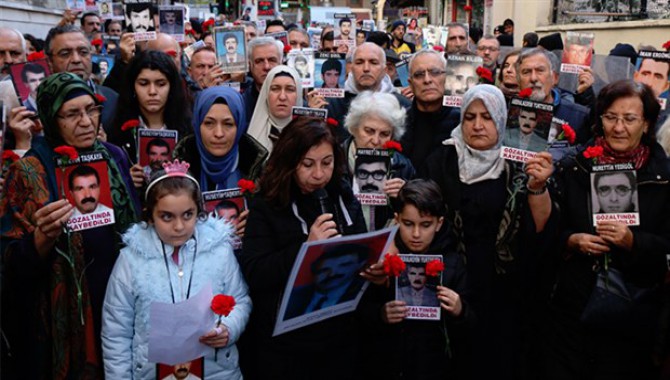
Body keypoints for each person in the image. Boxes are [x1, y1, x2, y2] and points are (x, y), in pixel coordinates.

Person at [0, 72, 139, 379]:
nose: (87, 122)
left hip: (117, 294)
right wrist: (43, 236)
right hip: (62, 309)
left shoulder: (114, 156)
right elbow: (9, 262)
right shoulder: (28, 171)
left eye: (91, 110)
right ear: (50, 118)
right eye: (72, 114)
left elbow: (136, 225)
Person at [421, 84, 554, 379]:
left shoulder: (521, 163)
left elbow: (541, 228)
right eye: (469, 117)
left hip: (505, 289)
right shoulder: (442, 161)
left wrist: (537, 186)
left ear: (502, 120)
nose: (478, 125)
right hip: (454, 285)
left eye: (487, 117)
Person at [239, 117, 385, 380]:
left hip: (339, 337)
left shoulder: (341, 193)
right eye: (307, 164)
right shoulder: (268, 203)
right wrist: (306, 249)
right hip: (286, 345)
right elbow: (255, 271)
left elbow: (359, 245)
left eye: (326, 163)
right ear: (289, 162)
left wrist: (372, 270)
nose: (319, 174)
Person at [543, 80, 670, 379]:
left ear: (647, 124)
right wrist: (571, 241)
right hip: (572, 311)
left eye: (629, 119)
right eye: (611, 117)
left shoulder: (663, 178)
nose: (619, 128)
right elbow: (548, 231)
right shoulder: (575, 166)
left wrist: (633, 242)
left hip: (631, 314)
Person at [101, 160, 251, 379]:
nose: (179, 226)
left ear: (199, 212)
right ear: (150, 215)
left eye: (187, 215)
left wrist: (228, 329)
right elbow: (116, 332)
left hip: (216, 371)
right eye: (167, 217)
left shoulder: (219, 251)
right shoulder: (131, 260)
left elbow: (241, 301)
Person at [359, 178, 471, 380]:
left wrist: (459, 309)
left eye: (425, 225)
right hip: (388, 363)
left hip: (434, 366)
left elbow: (471, 329)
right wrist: (381, 314)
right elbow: (359, 314)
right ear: (397, 220)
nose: (416, 234)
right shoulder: (383, 258)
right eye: (408, 224)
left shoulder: (453, 263)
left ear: (439, 224)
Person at [109, 50, 190, 188]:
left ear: (171, 87)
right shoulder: (117, 133)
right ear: (133, 87)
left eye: (160, 83)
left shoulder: (188, 132)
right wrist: (124, 179)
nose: (152, 91)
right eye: (144, 83)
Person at [174, 86, 266, 193]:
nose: (218, 133)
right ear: (197, 124)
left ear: (240, 126)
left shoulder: (261, 172)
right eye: (209, 123)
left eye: (228, 124)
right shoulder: (177, 170)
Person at [343, 91, 414, 230]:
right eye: (369, 131)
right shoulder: (335, 162)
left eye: (384, 134)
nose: (376, 141)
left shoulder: (402, 166)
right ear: (354, 128)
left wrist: (406, 196)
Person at [313, 43, 411, 141]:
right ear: (351, 68)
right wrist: (313, 117)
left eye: (373, 62)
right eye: (359, 62)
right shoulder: (330, 103)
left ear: (384, 70)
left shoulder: (402, 105)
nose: (366, 68)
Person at [45, 25, 119, 134]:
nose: (76, 59)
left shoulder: (113, 99)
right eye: (65, 54)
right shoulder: (39, 104)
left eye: (83, 52)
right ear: (49, 62)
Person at [516, 47, 591, 145]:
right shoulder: (508, 111)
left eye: (540, 70)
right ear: (518, 81)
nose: (533, 78)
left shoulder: (579, 116)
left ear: (555, 78)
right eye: (526, 72)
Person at [401, 49, 461, 170]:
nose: (427, 80)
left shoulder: (462, 122)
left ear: (447, 78)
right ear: (411, 84)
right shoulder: (399, 123)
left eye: (435, 72)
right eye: (419, 75)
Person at [284, 243, 369, 319]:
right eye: (324, 270)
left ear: (360, 264)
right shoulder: (295, 296)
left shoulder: (364, 293)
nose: (332, 274)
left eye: (344, 265)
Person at [247, 65, 303, 155]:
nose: (282, 97)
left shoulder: (307, 136)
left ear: (298, 95)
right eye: (275, 89)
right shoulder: (251, 138)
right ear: (266, 94)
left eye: (290, 89)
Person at [242, 37, 283, 126]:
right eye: (259, 61)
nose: (266, 67)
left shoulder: (296, 102)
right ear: (250, 65)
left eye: (272, 60)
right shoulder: (242, 104)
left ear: (281, 62)